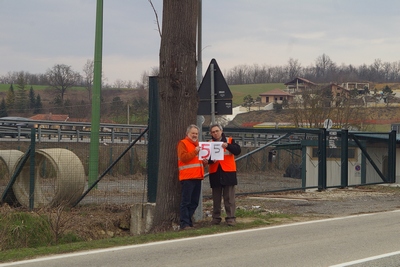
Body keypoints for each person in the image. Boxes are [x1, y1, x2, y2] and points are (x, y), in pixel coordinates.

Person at [208, 124, 241, 226]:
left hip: (228, 172)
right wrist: (210, 160)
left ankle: (230, 218)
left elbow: (237, 151)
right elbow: (206, 159)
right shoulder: (209, 144)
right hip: (215, 173)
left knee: (229, 198)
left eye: (217, 131)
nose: (215, 133)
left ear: (221, 131)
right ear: (211, 133)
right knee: (216, 199)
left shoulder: (230, 140)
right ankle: (216, 218)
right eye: (213, 132)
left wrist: (228, 146)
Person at [177, 124, 208, 230]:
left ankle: (188, 221)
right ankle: (184, 223)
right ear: (187, 134)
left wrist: (204, 163)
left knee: (194, 202)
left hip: (197, 176)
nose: (195, 135)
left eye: (196, 133)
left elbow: (197, 161)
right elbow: (183, 157)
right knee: (186, 201)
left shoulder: (199, 145)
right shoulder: (183, 143)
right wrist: (195, 152)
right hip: (187, 177)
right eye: (193, 133)